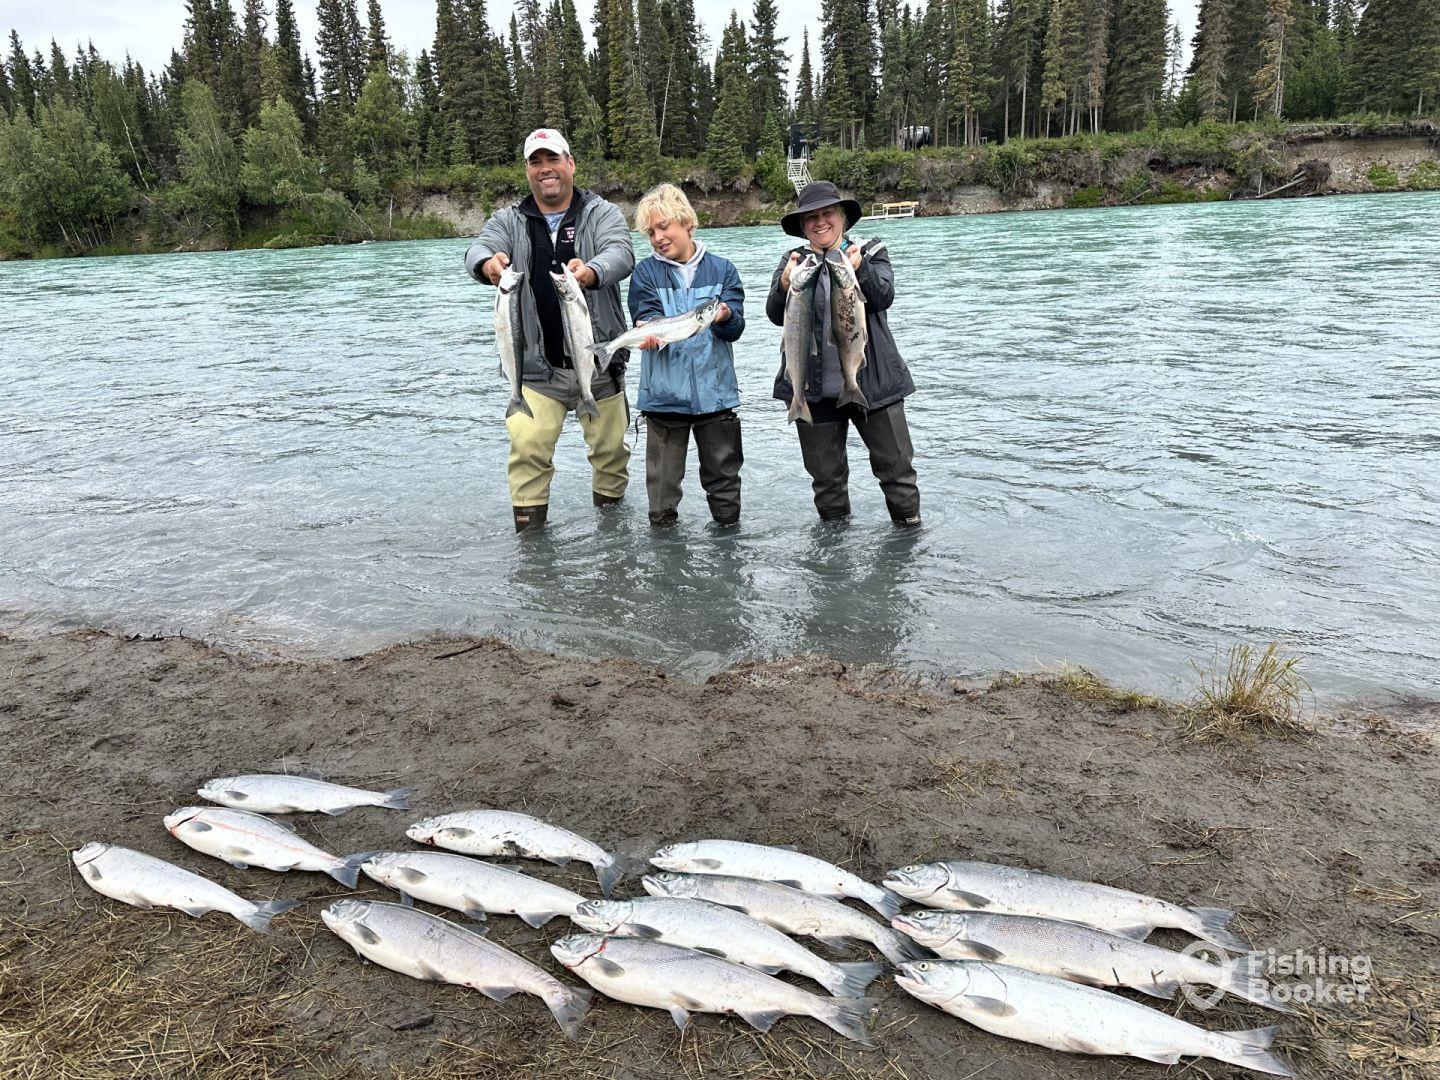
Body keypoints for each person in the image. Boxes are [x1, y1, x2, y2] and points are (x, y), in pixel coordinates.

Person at [465, 128, 636, 532]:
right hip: (536, 371)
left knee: (611, 454)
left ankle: (613, 542)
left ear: (570, 164)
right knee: (527, 450)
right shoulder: (509, 219)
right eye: (535, 162)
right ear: (527, 170)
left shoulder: (602, 213)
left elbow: (621, 253)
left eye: (553, 159)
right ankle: (531, 548)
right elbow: (477, 248)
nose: (546, 170)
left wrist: (591, 272)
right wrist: (488, 264)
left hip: (598, 362)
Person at [765, 181, 921, 527]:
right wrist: (784, 285)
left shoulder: (871, 250)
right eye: (812, 218)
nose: (821, 222)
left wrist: (860, 267)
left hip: (874, 384)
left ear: (842, 217)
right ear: (803, 226)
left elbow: (882, 298)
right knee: (827, 484)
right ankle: (834, 557)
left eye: (827, 214)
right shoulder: (792, 262)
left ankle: (910, 538)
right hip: (814, 389)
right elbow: (776, 314)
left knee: (897, 471)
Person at [628, 183, 746, 527]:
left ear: (687, 223)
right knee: (662, 493)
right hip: (664, 399)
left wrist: (725, 316)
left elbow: (735, 330)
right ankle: (664, 561)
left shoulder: (723, 270)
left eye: (663, 226)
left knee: (725, 486)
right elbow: (645, 316)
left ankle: (728, 552)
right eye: (651, 232)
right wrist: (646, 332)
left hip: (717, 396)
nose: (657, 238)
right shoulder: (645, 273)